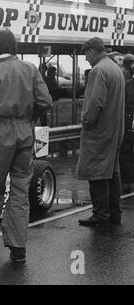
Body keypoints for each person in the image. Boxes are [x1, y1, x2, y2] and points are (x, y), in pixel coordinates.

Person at [0, 28, 52, 262]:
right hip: (25, 131)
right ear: (14, 47)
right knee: (20, 189)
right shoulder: (30, 68)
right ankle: (18, 247)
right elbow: (46, 101)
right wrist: (28, 118)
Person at [77, 37, 125, 226]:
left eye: (86, 55)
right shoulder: (115, 68)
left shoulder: (98, 71)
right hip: (114, 130)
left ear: (91, 52)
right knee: (112, 172)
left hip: (99, 131)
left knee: (96, 172)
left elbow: (94, 104)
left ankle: (100, 214)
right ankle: (114, 213)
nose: (86, 60)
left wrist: (85, 121)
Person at [119, 54, 134, 192]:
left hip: (128, 123)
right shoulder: (127, 82)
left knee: (126, 153)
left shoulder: (127, 84)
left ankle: (127, 181)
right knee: (127, 153)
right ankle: (128, 181)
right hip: (129, 123)